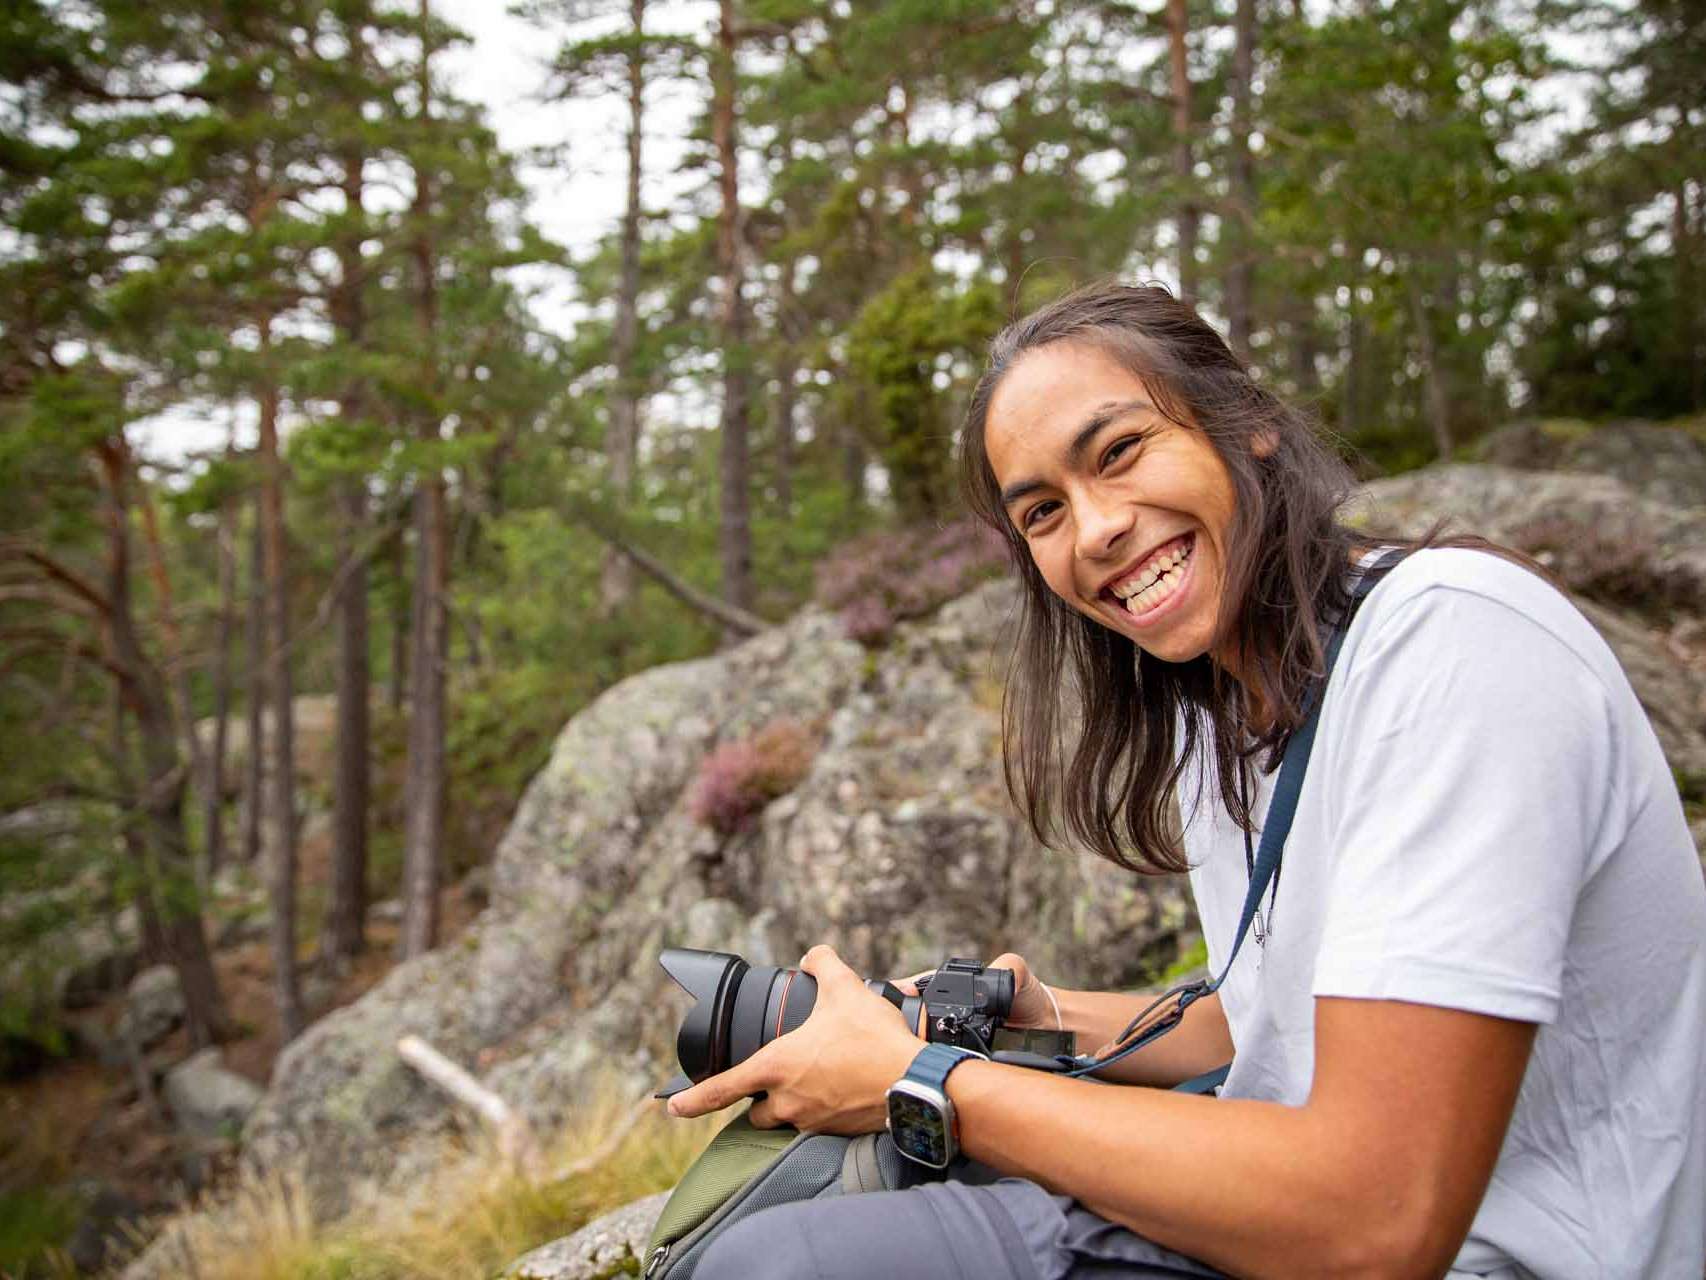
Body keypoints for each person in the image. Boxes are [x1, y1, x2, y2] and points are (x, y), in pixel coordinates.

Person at [667, 283, 1706, 1278]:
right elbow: (1280, 1016)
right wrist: (1045, 1017)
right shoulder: (1226, 721)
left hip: (1488, 1252)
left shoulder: (1454, 645)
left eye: (1118, 451)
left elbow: (1377, 1224)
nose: (1094, 529)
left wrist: (916, 1078)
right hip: (1305, 1209)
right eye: (1040, 513)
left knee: (782, 1263)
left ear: (1242, 421)